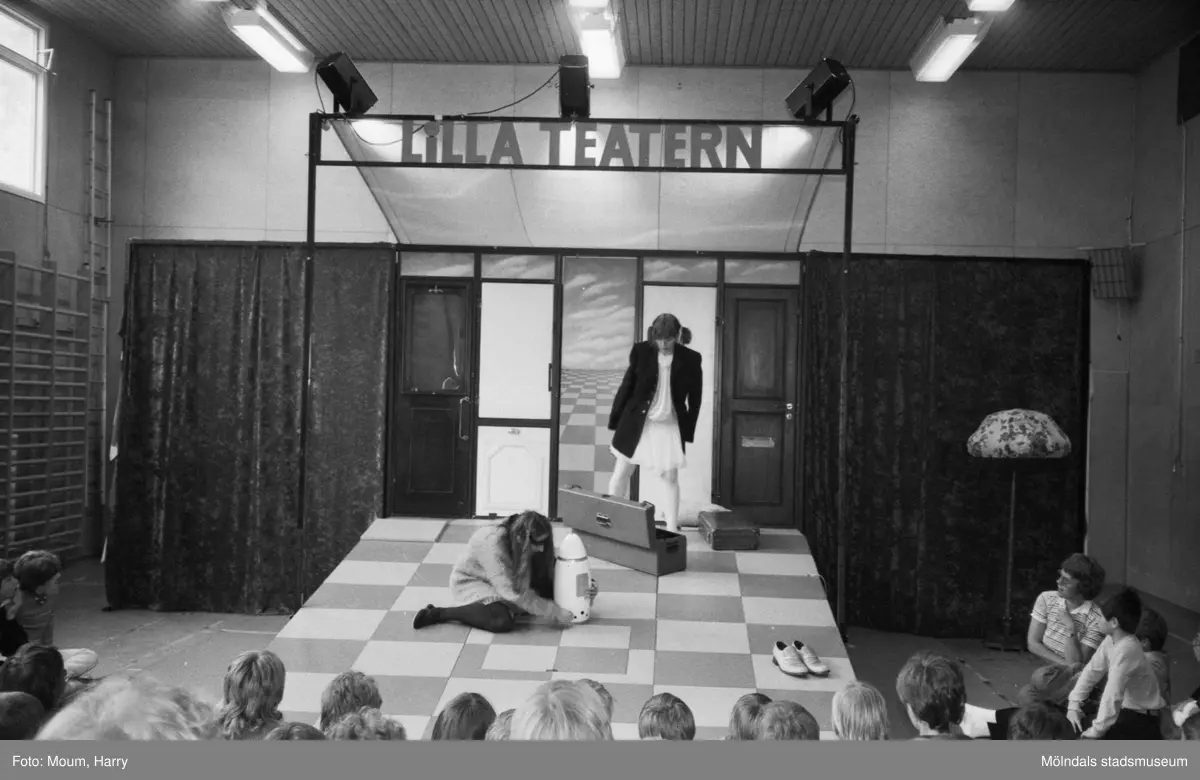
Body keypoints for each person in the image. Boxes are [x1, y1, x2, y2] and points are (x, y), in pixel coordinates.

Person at [412, 511, 595, 633]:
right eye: (537, 544)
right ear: (522, 539)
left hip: (507, 579)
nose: (541, 548)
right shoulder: (491, 542)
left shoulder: (527, 540)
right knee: (500, 620)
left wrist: (587, 588)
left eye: (544, 543)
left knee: (546, 587)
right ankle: (439, 614)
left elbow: (553, 573)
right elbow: (512, 593)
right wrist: (554, 611)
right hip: (475, 581)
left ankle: (512, 608)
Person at [607, 313, 703, 533]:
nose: (664, 344)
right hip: (638, 422)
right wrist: (615, 420)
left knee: (670, 477)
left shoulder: (691, 358)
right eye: (659, 339)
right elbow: (627, 386)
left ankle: (672, 529)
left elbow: (695, 399)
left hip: (669, 424)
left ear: (677, 335)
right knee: (621, 472)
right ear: (653, 335)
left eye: (669, 339)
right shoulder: (641, 351)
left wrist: (688, 430)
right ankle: (611, 524)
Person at [1066, 588, 1165, 740]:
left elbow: (1112, 694)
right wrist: (1074, 704)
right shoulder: (1111, 639)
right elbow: (1092, 671)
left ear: (1114, 622)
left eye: (1101, 616)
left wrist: (1095, 732)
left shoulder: (1127, 650)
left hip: (1140, 719)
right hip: (1124, 710)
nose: (1097, 620)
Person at [1017, 554, 1107, 710]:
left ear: (1083, 587)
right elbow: (1033, 643)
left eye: (1066, 580)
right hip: (1051, 675)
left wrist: (1070, 627)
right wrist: (1064, 664)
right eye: (1060, 576)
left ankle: (1048, 710)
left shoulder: (1096, 617)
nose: (1059, 582)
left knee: (1037, 685)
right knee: (1031, 687)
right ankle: (1052, 710)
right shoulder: (1046, 599)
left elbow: (1076, 663)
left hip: (1074, 681)